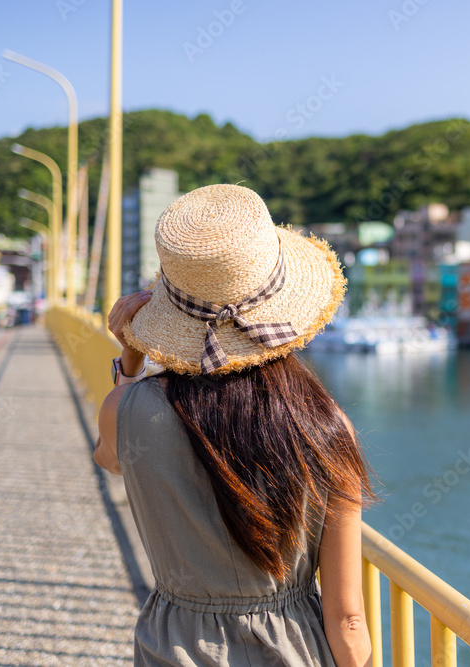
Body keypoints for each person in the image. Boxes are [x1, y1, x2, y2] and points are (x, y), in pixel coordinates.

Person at [94, 184, 375, 666]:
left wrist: (129, 358)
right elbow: (347, 617)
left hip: (175, 647)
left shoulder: (132, 410)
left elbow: (109, 455)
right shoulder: (325, 427)